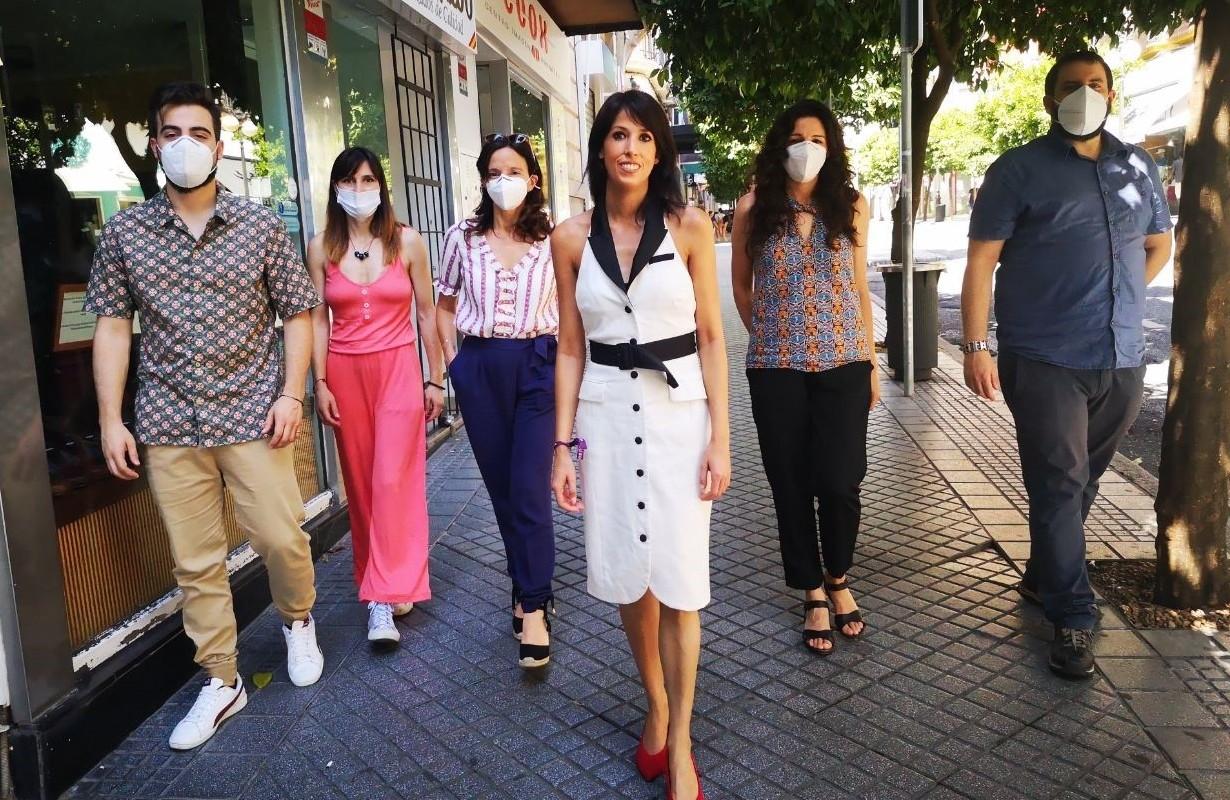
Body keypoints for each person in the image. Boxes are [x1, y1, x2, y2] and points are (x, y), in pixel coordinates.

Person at [86, 81, 324, 750]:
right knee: (196, 563)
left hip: (253, 413)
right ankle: (222, 679)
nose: (184, 145)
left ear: (218, 146)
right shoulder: (126, 231)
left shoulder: (259, 226)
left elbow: (298, 313)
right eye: (171, 133)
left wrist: (291, 393)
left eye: (198, 133)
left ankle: (297, 619)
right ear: (153, 143)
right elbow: (110, 325)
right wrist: (111, 418)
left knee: (282, 538)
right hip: (168, 422)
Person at [961, 51, 1173, 679]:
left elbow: (1158, 243)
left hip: (1122, 355)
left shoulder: (1140, 165)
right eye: (1072, 87)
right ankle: (1073, 617)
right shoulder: (1017, 171)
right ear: (1049, 100)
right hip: (1045, 356)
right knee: (1058, 483)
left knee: (1083, 483)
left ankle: (1042, 577)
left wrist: (1122, 297)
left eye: (1096, 84)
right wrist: (976, 346)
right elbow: (980, 262)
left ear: (1113, 93)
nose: (1085, 94)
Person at [551, 90, 730, 800]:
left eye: (644, 137)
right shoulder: (570, 238)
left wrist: (723, 437)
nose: (630, 147)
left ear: (660, 153)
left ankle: (680, 742)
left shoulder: (688, 228)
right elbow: (570, 346)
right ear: (601, 147)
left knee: (681, 585)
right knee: (630, 576)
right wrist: (561, 446)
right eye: (619, 135)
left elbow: (712, 336)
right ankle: (655, 704)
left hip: (679, 421)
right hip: (604, 419)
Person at [730, 99, 878, 656]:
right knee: (789, 482)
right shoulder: (754, 209)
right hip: (776, 367)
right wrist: (769, 331)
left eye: (817, 138)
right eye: (795, 137)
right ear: (778, 146)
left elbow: (859, 288)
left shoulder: (852, 205)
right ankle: (813, 589)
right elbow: (743, 287)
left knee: (841, 480)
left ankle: (839, 572)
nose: (806, 148)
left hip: (844, 359)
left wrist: (869, 363)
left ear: (831, 147)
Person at [307, 147, 444, 646]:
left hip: (398, 370)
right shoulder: (321, 246)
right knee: (362, 487)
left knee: (393, 480)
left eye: (368, 180)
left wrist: (436, 377)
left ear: (381, 186)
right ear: (336, 188)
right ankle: (383, 586)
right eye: (350, 180)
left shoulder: (406, 241)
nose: (359, 189)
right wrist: (318, 382)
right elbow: (318, 318)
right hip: (345, 373)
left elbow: (427, 314)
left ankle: (383, 598)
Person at [435, 132, 558, 669]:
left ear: (533, 179)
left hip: (537, 366)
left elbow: (574, 312)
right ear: (484, 180)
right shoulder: (462, 237)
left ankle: (534, 604)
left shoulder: (556, 239)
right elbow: (442, 304)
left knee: (529, 487)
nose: (504, 181)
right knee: (503, 492)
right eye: (494, 172)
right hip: (480, 367)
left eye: (514, 171)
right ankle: (523, 580)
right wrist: (452, 365)